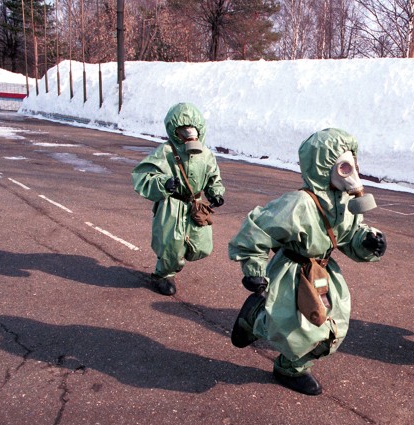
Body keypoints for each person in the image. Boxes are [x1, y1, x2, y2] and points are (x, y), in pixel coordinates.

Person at [228, 128, 386, 396]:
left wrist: (368, 242)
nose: (351, 174)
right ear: (324, 167)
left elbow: (350, 235)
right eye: (343, 166)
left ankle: (290, 367)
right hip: (293, 270)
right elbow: (258, 229)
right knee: (292, 327)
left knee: (331, 325)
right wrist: (253, 266)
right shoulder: (299, 203)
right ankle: (254, 319)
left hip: (322, 271)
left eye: (353, 165)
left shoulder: (344, 204)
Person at [132, 102, 225, 296]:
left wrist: (215, 192)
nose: (189, 135)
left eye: (192, 130)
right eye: (183, 130)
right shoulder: (165, 152)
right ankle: (163, 274)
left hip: (195, 204)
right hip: (171, 204)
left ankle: (175, 262)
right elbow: (143, 176)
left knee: (201, 246)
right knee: (171, 244)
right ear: (174, 131)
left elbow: (213, 177)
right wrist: (164, 183)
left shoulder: (206, 154)